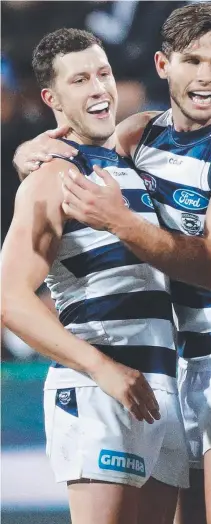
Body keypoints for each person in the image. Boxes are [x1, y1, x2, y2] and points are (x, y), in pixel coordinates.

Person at [14, 4, 211, 523]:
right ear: (163, 66)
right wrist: (30, 153)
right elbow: (77, 151)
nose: (205, 76)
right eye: (192, 61)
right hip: (173, 369)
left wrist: (122, 224)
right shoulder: (137, 137)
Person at [2, 28, 189, 524]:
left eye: (102, 73)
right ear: (52, 98)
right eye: (80, 79)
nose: (98, 89)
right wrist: (100, 368)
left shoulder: (130, 163)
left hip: (159, 386)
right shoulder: (51, 178)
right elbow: (9, 298)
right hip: (99, 388)